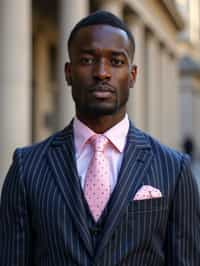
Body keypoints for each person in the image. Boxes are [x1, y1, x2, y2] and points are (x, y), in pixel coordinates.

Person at [0, 11, 200, 266]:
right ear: (69, 73)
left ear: (133, 75)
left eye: (116, 62)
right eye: (87, 60)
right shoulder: (26, 167)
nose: (102, 73)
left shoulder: (174, 169)